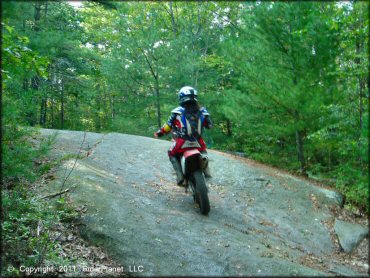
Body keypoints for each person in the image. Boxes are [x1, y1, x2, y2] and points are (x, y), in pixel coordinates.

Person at [154, 86, 213, 186]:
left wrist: (160, 133)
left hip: (182, 143)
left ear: (181, 98)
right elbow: (209, 126)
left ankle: (180, 176)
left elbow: (168, 126)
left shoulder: (177, 112)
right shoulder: (203, 111)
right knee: (203, 153)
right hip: (198, 143)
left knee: (171, 153)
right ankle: (207, 173)